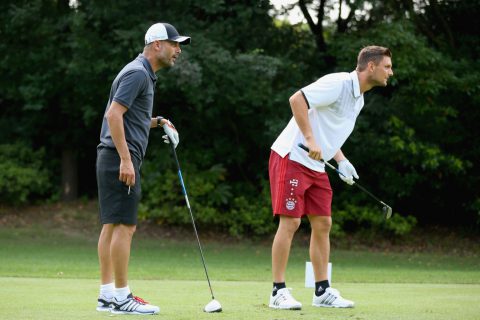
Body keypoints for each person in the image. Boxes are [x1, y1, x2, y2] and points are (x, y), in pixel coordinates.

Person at [268, 46, 393, 310]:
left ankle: (322, 291)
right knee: (290, 222)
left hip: (316, 165)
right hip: (292, 155)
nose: (390, 72)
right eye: (387, 66)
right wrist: (311, 139)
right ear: (371, 67)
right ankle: (277, 291)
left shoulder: (359, 99)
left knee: (323, 223)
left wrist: (342, 161)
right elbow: (296, 100)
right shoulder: (338, 83)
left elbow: (328, 131)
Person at [95, 22, 190, 315]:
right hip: (118, 157)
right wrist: (125, 159)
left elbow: (129, 117)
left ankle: (107, 294)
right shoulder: (138, 73)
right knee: (126, 225)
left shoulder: (141, 73)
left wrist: (158, 121)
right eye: (174, 44)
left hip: (112, 156)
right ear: (157, 44)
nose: (178, 50)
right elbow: (113, 115)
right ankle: (122, 297)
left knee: (112, 225)